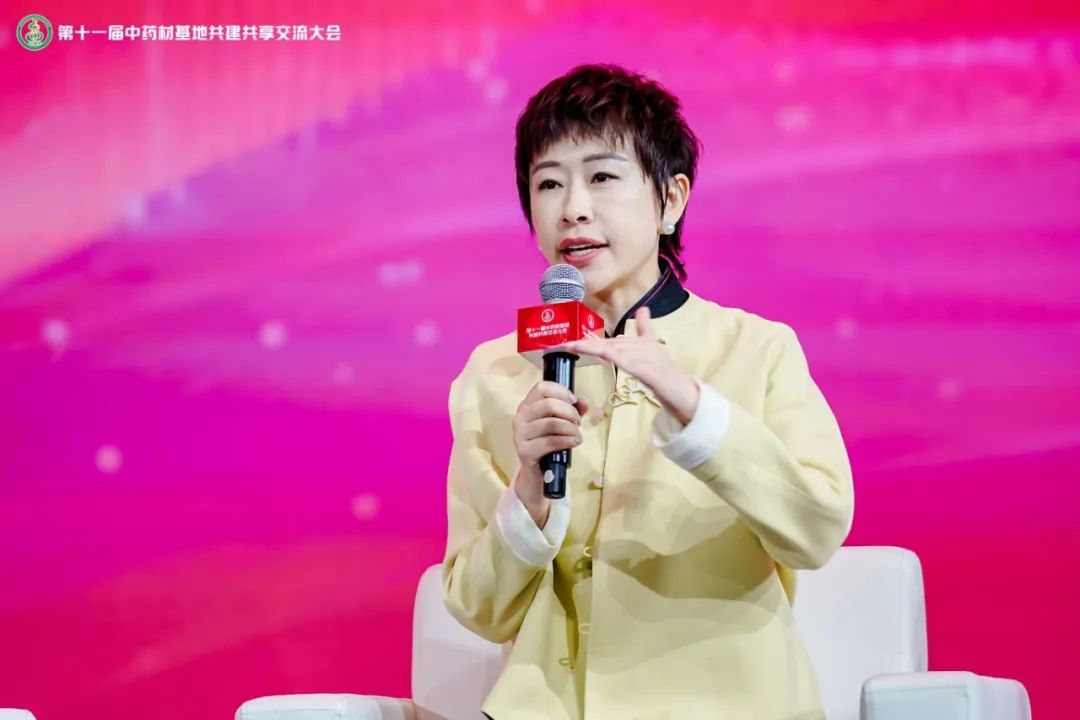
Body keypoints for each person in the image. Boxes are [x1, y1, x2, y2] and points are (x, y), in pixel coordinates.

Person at [441, 63, 854, 720]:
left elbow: (817, 529)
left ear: (671, 199)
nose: (573, 208)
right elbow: (478, 608)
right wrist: (529, 492)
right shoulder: (496, 373)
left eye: (603, 177)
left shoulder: (755, 348)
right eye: (548, 183)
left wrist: (695, 410)